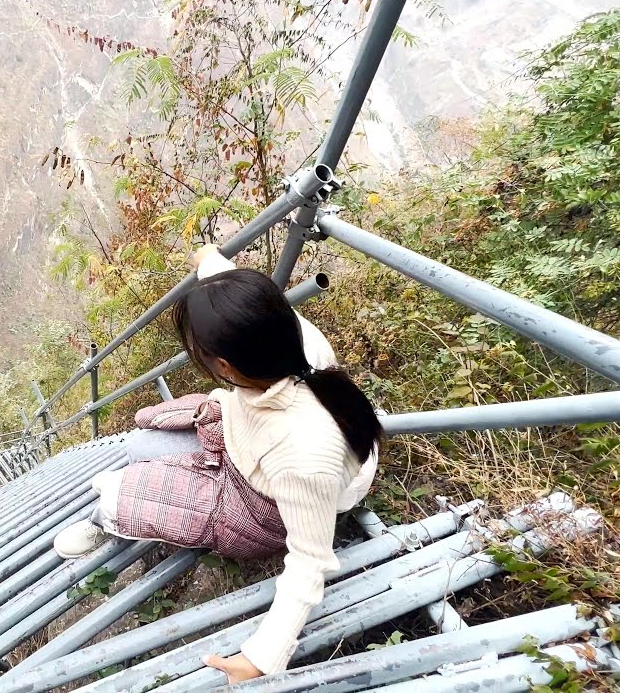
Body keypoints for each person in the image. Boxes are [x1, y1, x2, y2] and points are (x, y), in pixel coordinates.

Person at [51, 244, 382, 683]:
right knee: (142, 443)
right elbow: (235, 290)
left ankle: (104, 517)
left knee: (125, 488)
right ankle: (128, 495)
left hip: (261, 503)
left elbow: (310, 561)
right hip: (243, 439)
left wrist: (263, 656)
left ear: (225, 364)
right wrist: (208, 259)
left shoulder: (305, 453)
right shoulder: (287, 338)